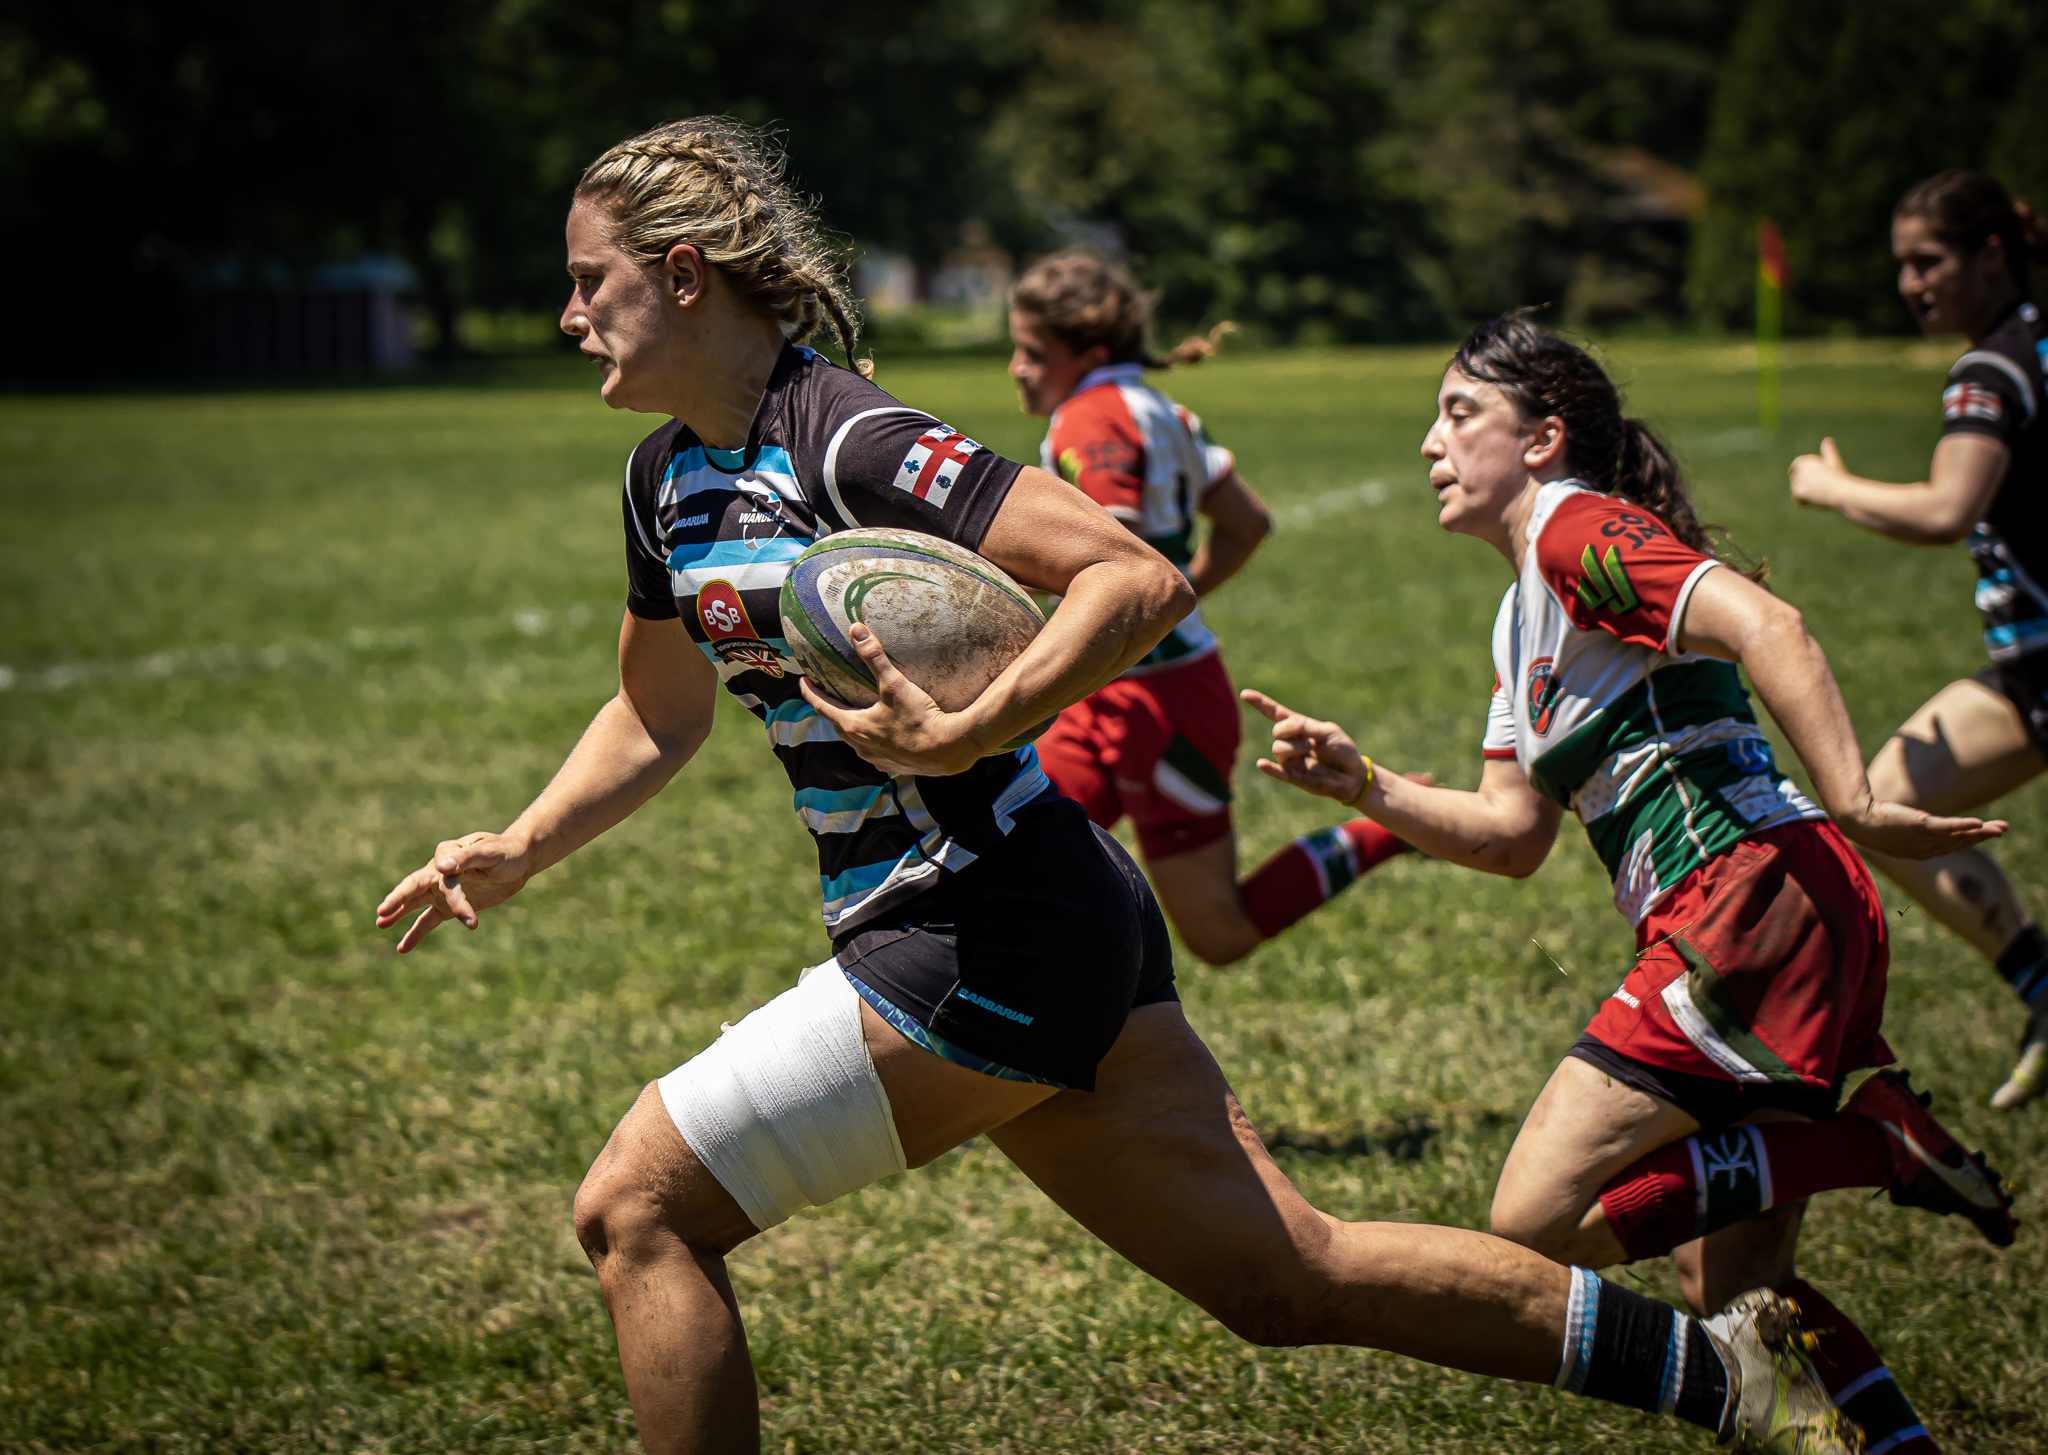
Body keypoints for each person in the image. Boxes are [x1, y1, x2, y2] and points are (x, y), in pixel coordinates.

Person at [376, 122, 1861, 1454]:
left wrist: (979, 722)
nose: (569, 315)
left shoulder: (852, 440)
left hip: (981, 921)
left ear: (684, 275)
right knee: (1288, 1279)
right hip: (1013, 915)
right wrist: (519, 844)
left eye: (589, 282)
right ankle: (1737, 1376)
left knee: (635, 1209)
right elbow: (655, 710)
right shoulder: (663, 484)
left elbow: (1131, 575)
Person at [1248, 310, 2020, 1455]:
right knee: (1738, 1305)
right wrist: (1365, 783)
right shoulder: (1521, 612)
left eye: (1458, 413)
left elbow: (1767, 624)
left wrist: (1855, 798)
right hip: (1773, 907)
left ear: (1541, 438)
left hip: (1745, 899)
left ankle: (1874, 1146)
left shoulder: (1575, 529)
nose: (1428, 442)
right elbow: (1509, 836)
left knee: (1530, 1218)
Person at [1008, 256, 1414, 966]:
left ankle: (1394, 827)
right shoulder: (1162, 408)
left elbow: (1117, 544)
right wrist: (1170, 601)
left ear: (1090, 355)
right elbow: (1246, 522)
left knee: (1216, 933)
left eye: (1033, 353)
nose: (1017, 368)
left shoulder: (1091, 418)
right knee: (1015, 868)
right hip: (1106, 686)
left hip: (1161, 709)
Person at [1786, 170, 2048, 1110]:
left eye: (1928, 261)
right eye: (1902, 265)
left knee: (1878, 810)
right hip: (2028, 677)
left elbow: (1946, 508)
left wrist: (1830, 488)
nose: (1911, 284)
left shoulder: (1991, 371)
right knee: (1882, 806)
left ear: (1990, 254)